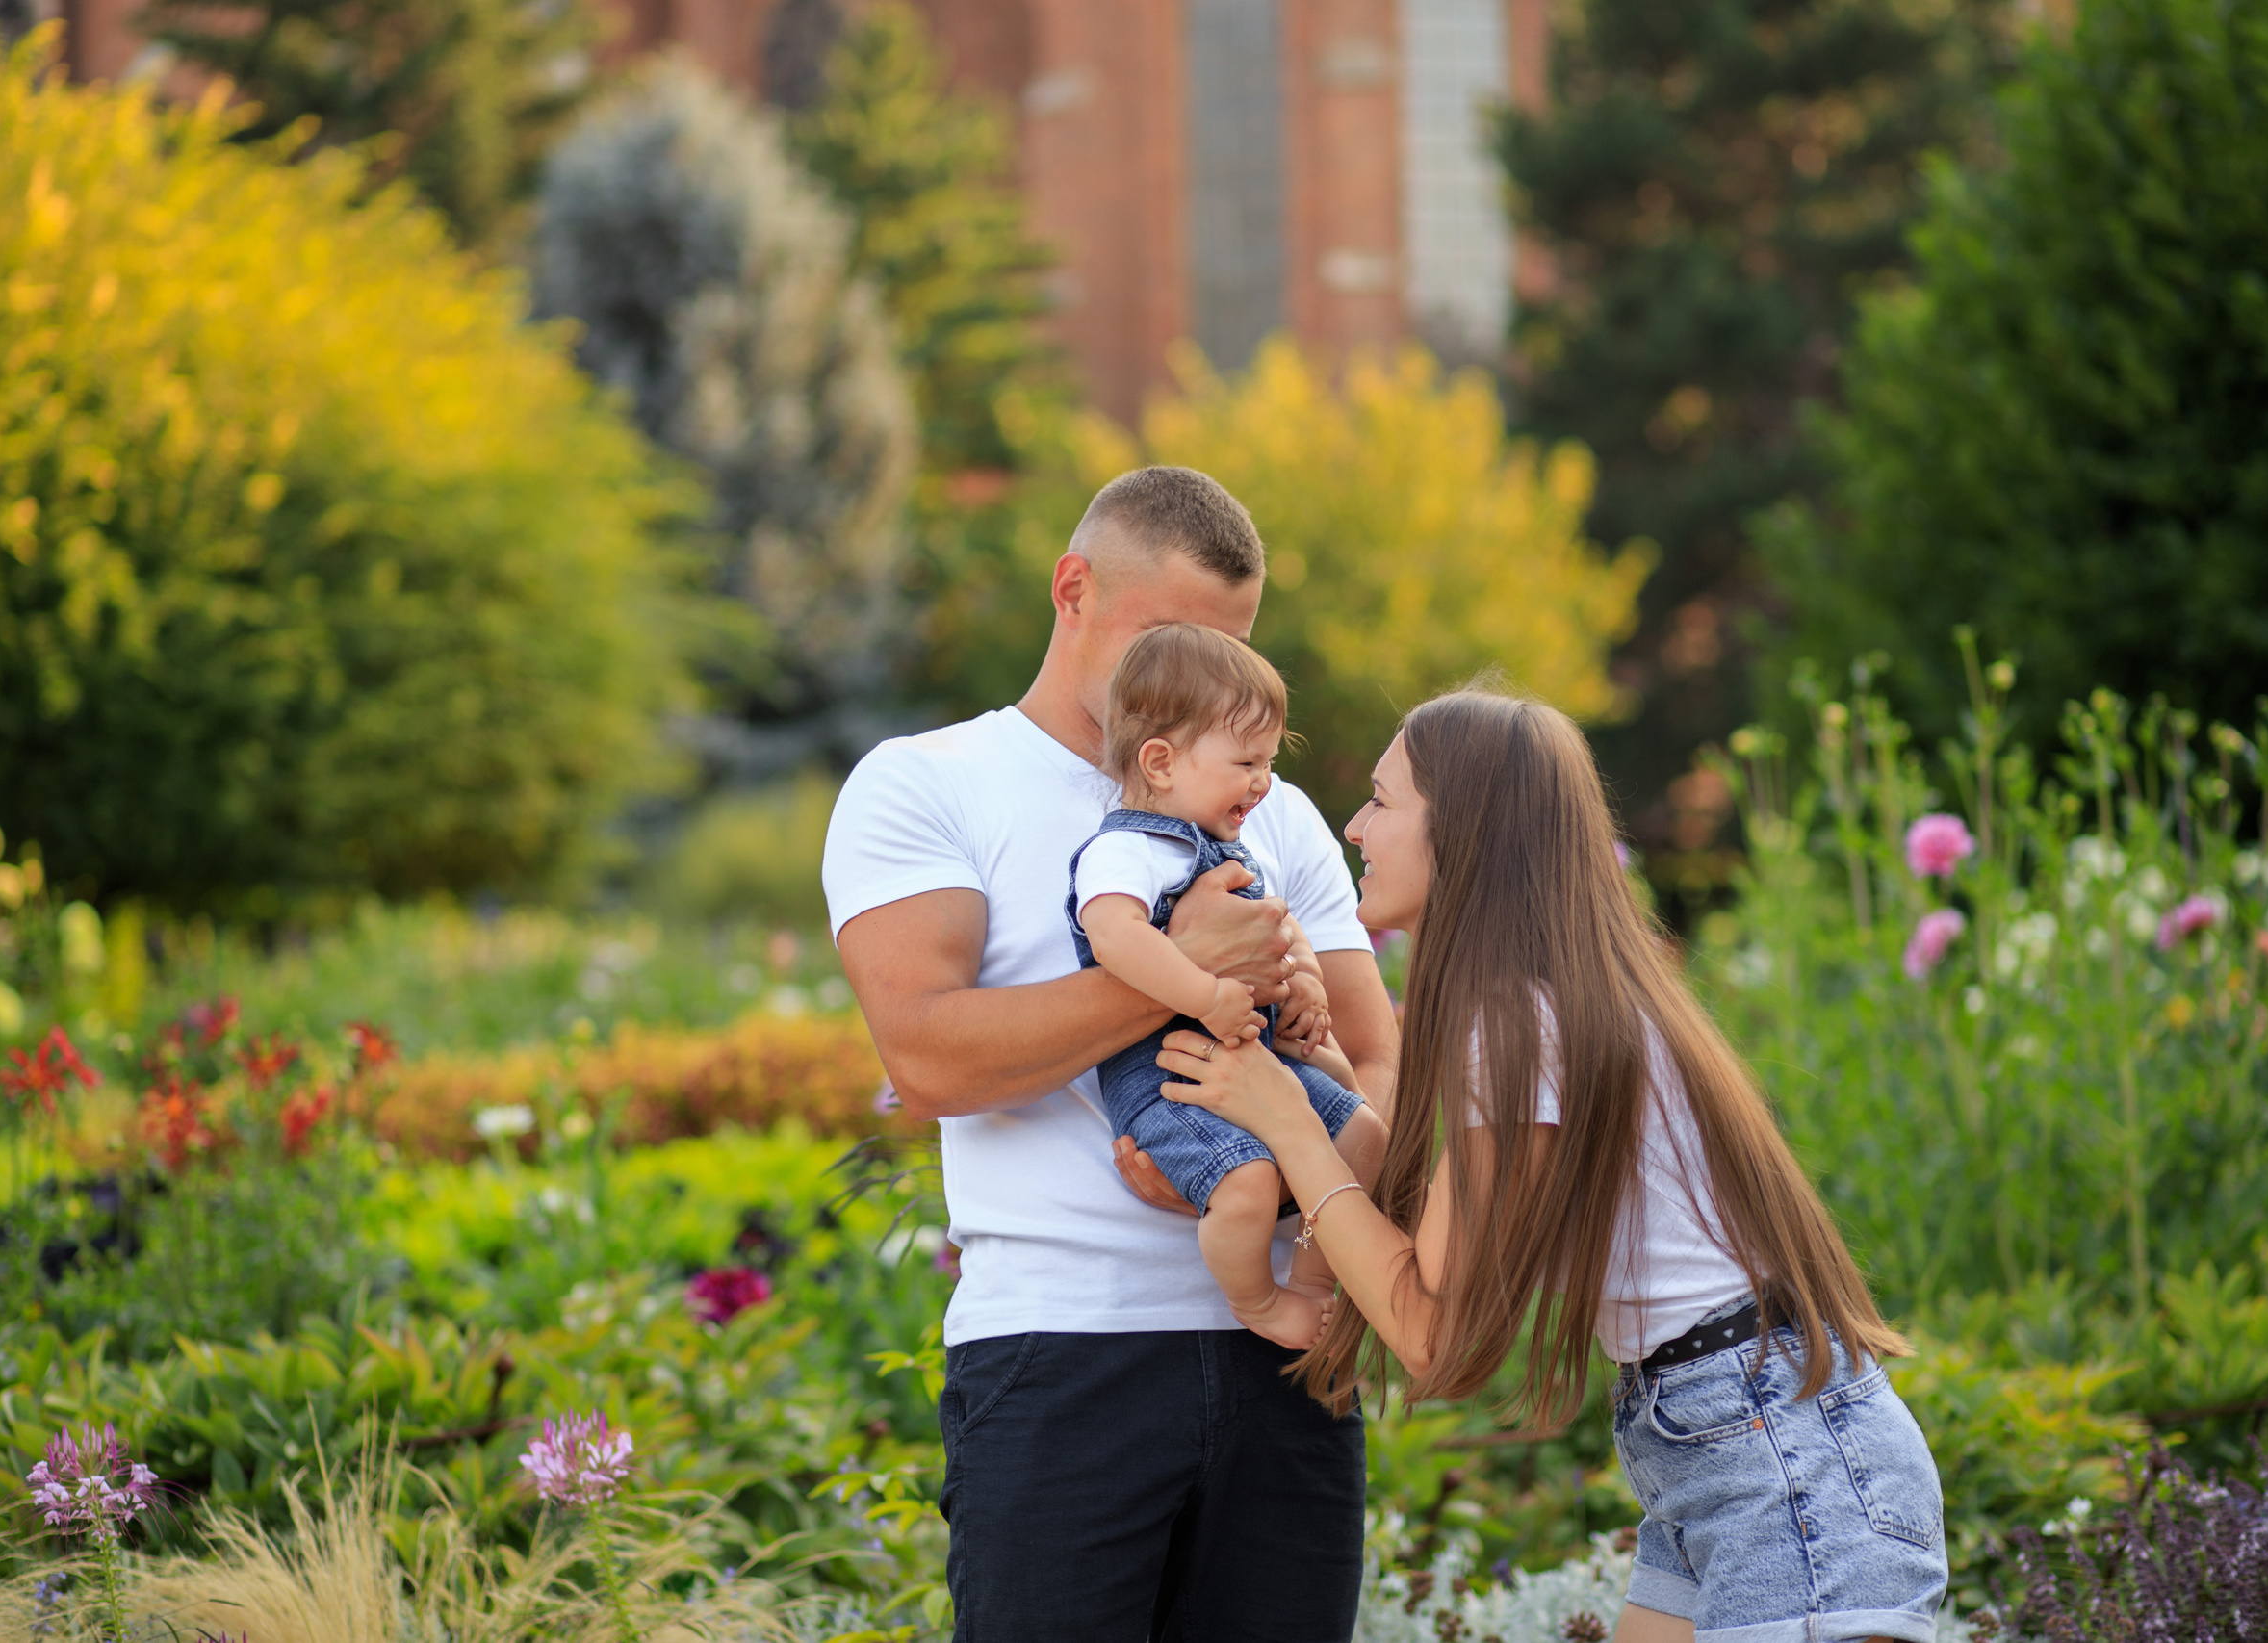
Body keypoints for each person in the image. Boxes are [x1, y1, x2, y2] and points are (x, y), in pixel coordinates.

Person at [1147, 688, 1949, 1643]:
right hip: (1724, 1430)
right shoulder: (1553, 1001)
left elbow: (1430, 1337)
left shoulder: (1519, 1023)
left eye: (1381, 799)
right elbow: (1442, 1243)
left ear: (1467, 827)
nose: (1357, 825)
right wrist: (1317, 1097)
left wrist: (1287, 1124)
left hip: (1774, 1454)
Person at [823, 466, 1399, 1641]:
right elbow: (929, 1060)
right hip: (1058, 1358)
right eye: (1169, 636)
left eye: (1228, 645)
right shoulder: (926, 784)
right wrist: (1179, 973)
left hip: (1287, 1359)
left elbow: (1383, 1073)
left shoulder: (1267, 809)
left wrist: (1278, 1139)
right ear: (1072, 588)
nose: (1195, 680)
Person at [1069, 622, 1389, 1349]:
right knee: (1244, 1183)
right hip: (1167, 1074)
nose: (1264, 781)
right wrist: (1204, 992)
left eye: (1269, 761)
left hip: (1262, 1062)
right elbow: (1115, 934)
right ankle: (1260, 1303)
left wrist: (1304, 978)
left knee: (1366, 1136)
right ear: (1160, 762)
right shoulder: (1128, 849)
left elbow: (1277, 920)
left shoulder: (1231, 845)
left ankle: (1312, 1281)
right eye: (1247, 760)